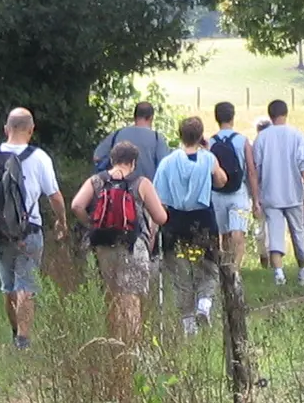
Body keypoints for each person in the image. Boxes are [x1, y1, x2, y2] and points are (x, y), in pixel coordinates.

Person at [70, 140, 169, 395]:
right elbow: (160, 217)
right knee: (131, 298)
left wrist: (93, 223)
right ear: (133, 161)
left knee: (113, 295)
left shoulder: (97, 181)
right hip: (132, 246)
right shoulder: (141, 183)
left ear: (112, 159)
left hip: (103, 246)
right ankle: (130, 350)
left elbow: (76, 205)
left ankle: (114, 344)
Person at [0, 108, 67, 349]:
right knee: (26, 285)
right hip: (29, 231)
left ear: (6, 129)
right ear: (31, 130)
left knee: (8, 286)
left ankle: (15, 333)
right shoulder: (39, 158)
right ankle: (23, 342)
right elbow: (54, 196)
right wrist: (61, 221)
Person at [153, 116, 227, 335]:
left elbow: (159, 195)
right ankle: (204, 302)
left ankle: (187, 322)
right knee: (210, 265)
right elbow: (222, 180)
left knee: (179, 270)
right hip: (203, 217)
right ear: (201, 135)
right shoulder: (208, 158)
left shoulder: (168, 161)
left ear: (179, 134)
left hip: (176, 219)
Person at [248, 99, 304, 285]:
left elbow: (256, 169)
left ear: (270, 115)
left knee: (275, 234)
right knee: (298, 232)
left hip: (270, 193)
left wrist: (256, 197)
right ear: (286, 113)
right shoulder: (297, 135)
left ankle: (279, 273)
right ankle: (302, 270)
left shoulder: (261, 138)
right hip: (293, 192)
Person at [207, 101, 252, 268]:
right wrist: (256, 197)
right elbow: (251, 171)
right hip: (238, 192)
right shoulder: (242, 141)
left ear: (216, 118)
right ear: (233, 117)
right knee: (238, 232)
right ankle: (235, 268)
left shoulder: (210, 142)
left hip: (217, 194)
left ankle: (224, 266)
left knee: (223, 234)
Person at [92, 101, 171, 182]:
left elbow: (97, 157)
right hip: (145, 190)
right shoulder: (157, 139)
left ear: (134, 116)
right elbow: (166, 166)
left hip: (117, 189)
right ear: (151, 118)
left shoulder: (117, 134)